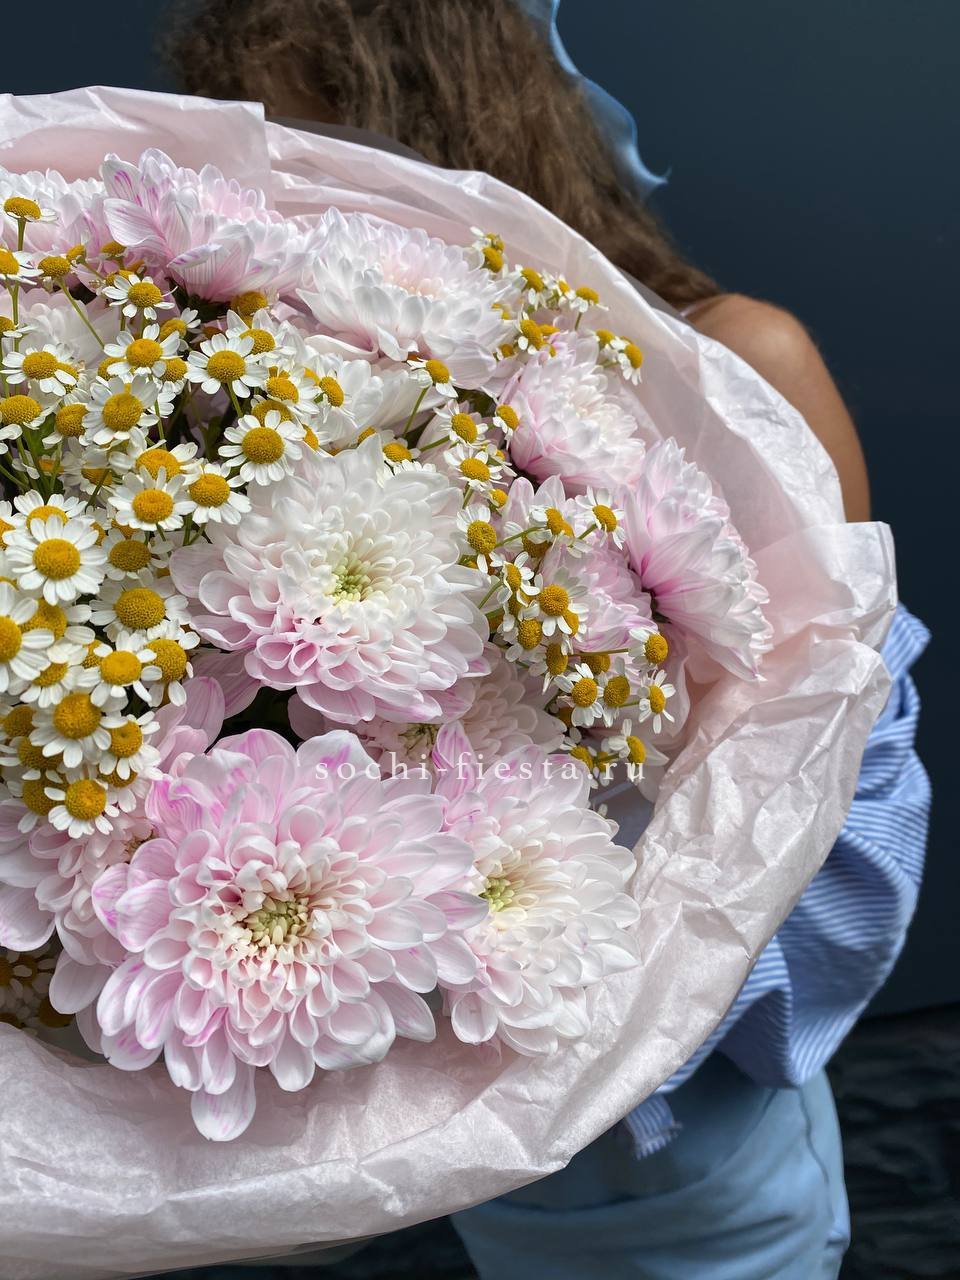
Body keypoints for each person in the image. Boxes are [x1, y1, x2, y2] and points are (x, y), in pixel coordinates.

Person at [166, 3, 930, 1276]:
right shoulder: (330, 408)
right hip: (434, 1120)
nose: (297, 188)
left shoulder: (741, 358)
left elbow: (841, 777)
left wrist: (601, 1008)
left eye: (330, 138)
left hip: (669, 1108)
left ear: (456, 127)